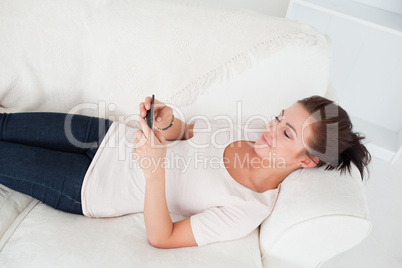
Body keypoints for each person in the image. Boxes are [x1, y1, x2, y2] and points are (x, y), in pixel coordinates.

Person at [0, 95, 371, 249]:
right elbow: (186, 134)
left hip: (87, 186)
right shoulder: (242, 132)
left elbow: (163, 237)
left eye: (286, 132)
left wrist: (154, 171)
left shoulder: (249, 208)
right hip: (103, 135)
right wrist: (168, 120)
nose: (270, 129)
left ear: (307, 161)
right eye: (279, 118)